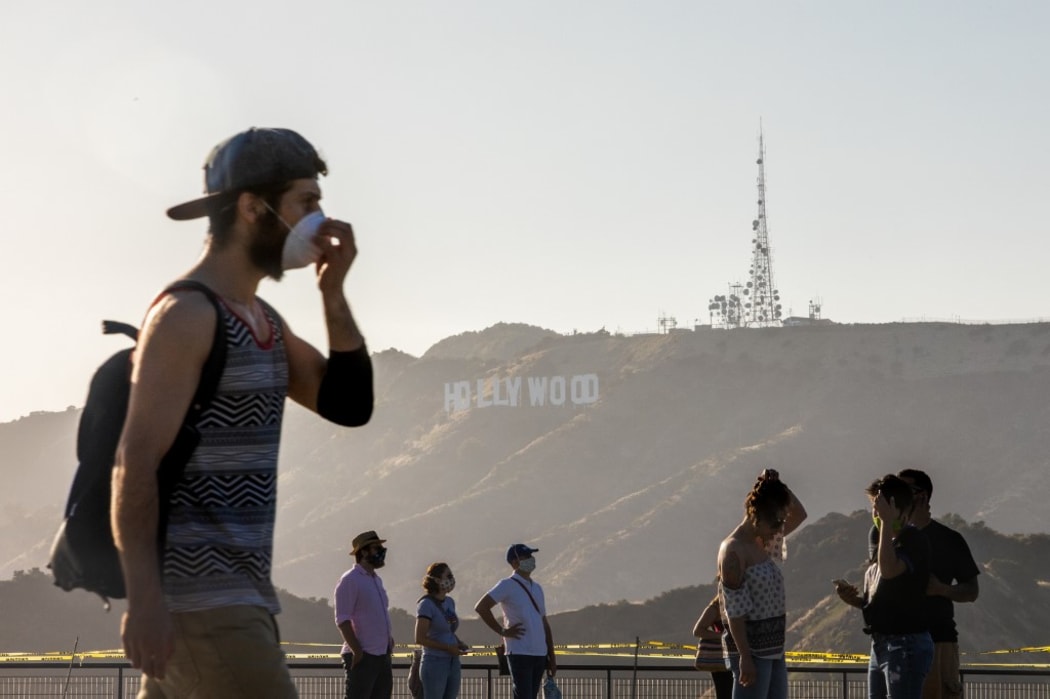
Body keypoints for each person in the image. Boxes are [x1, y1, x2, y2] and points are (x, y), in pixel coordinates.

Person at [111, 127, 374, 698]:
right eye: (306, 201)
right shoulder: (188, 314)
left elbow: (349, 405)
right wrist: (146, 603)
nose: (321, 217)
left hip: (233, 604)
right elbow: (135, 465)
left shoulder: (264, 322)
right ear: (254, 207)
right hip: (205, 609)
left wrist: (332, 294)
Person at [834, 475, 933, 699]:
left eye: (880, 508)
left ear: (898, 509)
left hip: (905, 644)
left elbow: (889, 570)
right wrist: (856, 601)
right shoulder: (884, 541)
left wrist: (887, 524)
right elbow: (885, 598)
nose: (876, 514)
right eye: (874, 508)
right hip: (881, 643)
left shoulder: (914, 540)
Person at [717, 469, 806, 699]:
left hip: (774, 649)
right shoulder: (734, 550)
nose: (779, 529)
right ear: (757, 515)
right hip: (752, 652)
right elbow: (734, 610)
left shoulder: (763, 540)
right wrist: (745, 656)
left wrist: (778, 487)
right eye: (776, 522)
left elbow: (800, 514)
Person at [897, 468, 980, 699]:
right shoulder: (889, 538)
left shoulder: (949, 539)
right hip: (895, 643)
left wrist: (942, 589)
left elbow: (972, 591)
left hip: (939, 642)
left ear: (922, 496)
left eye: (906, 490)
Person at [474, 544, 556, 699]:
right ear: (514, 562)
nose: (531, 560)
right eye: (526, 557)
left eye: (531, 556)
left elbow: (544, 622)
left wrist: (552, 655)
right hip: (519, 651)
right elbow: (481, 607)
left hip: (539, 652)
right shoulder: (507, 585)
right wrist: (502, 631)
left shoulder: (537, 588)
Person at [334, 531, 395, 699]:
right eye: (377, 548)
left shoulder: (376, 580)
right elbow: (342, 620)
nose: (382, 551)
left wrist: (388, 640)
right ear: (364, 552)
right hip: (364, 655)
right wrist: (357, 651)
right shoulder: (350, 580)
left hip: (382, 654)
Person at [414, 563, 470, 699]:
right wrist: (447, 647)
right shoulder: (426, 605)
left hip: (453, 662)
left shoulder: (450, 602)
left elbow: (448, 630)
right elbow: (420, 638)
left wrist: (458, 643)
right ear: (437, 580)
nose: (452, 580)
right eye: (448, 576)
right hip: (434, 662)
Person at [692, 595, 734, 699]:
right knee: (725, 691)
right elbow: (698, 631)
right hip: (722, 659)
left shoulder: (739, 606)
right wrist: (722, 636)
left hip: (738, 656)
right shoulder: (714, 609)